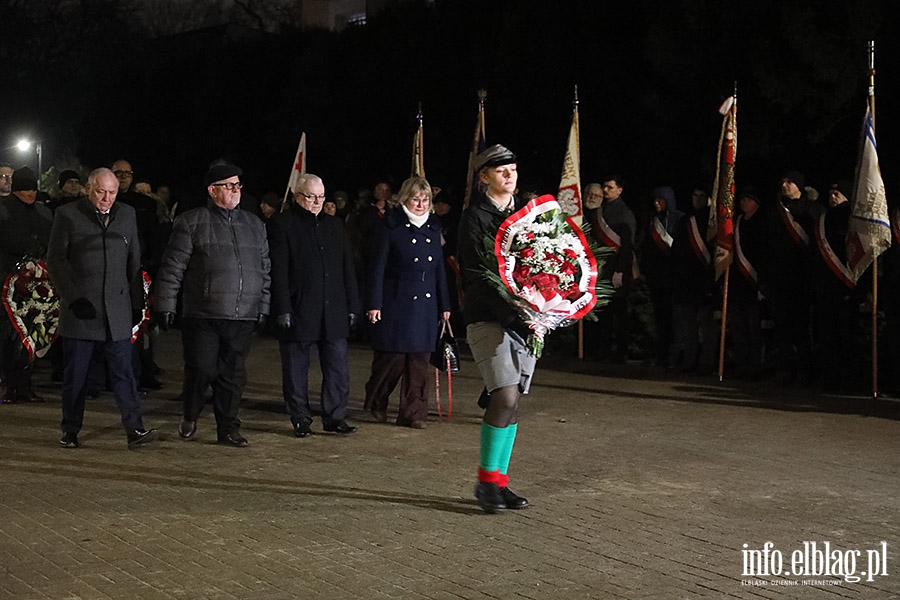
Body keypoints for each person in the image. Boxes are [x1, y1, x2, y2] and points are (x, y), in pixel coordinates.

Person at [154, 162, 271, 447]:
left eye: (238, 185)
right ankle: (191, 412)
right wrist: (166, 304)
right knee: (202, 368)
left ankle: (228, 428)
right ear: (212, 190)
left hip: (242, 314)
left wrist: (263, 306)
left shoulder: (254, 225)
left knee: (233, 376)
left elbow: (264, 269)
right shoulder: (191, 222)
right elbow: (173, 267)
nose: (236, 190)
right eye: (229, 185)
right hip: (202, 313)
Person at [46, 167, 157, 449]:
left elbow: (134, 261)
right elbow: (56, 261)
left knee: (124, 373)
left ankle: (135, 429)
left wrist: (136, 303)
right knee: (77, 376)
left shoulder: (127, 214)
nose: (107, 198)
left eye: (112, 192)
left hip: (117, 311)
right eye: (101, 192)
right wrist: (73, 298)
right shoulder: (68, 215)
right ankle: (70, 429)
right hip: (82, 311)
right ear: (88, 189)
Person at [458, 144, 534, 514]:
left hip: (525, 321)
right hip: (489, 317)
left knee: (514, 401)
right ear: (484, 176)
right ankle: (485, 482)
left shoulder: (526, 215)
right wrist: (514, 313)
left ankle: (500, 483)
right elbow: (477, 273)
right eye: (501, 171)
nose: (510, 176)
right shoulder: (475, 217)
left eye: (514, 170)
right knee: (503, 397)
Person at [267, 173, 359, 438]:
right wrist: (282, 307)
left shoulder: (335, 226)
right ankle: (300, 417)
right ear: (297, 197)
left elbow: (347, 269)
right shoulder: (283, 224)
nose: (317, 201)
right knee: (296, 367)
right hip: (299, 307)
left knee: (337, 367)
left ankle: (335, 416)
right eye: (311, 196)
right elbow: (279, 269)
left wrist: (353, 305)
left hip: (334, 309)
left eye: (321, 196)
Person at [363, 176, 451, 428]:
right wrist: (374, 303)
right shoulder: (390, 225)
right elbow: (377, 268)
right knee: (393, 358)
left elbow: (439, 270)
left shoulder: (434, 227)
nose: (421, 204)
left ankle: (413, 413)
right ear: (404, 199)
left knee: (419, 360)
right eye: (416, 199)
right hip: (395, 300)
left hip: (425, 303)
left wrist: (445, 305)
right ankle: (377, 399)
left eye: (425, 200)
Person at [762, 170, 823, 385]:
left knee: (802, 328)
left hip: (803, 280)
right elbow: (767, 248)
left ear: (799, 185)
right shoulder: (774, 213)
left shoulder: (813, 212)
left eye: (790, 182)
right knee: (782, 328)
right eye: (783, 181)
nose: (785, 185)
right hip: (780, 281)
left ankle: (805, 370)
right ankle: (784, 368)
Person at [0, 166, 54, 403]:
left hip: (37, 282)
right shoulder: (3, 210)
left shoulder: (43, 212)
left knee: (33, 332)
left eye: (32, 189)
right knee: (9, 334)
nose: (29, 194)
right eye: (24, 189)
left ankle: (24, 384)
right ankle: (10, 384)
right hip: (7, 281)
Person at [585, 177, 636, 361]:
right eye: (604, 187)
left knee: (619, 312)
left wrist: (620, 270)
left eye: (610, 187)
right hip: (601, 270)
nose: (605, 190)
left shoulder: (624, 213)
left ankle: (621, 350)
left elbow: (626, 245)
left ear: (619, 190)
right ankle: (603, 349)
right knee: (604, 313)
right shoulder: (602, 210)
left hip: (616, 269)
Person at [669, 187, 717, 373]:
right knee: (687, 325)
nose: (697, 199)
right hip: (685, 281)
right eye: (694, 195)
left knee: (707, 326)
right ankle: (689, 360)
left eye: (702, 196)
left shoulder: (714, 223)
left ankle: (707, 362)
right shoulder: (686, 221)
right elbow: (677, 251)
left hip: (705, 281)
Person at [640, 186, 684, 367]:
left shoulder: (679, 219)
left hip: (673, 278)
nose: (657, 203)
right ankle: (662, 354)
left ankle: (674, 356)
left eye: (661, 200)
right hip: (656, 277)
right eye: (655, 200)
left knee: (674, 320)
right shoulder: (653, 220)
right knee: (660, 319)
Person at [727, 188, 766, 380]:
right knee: (738, 328)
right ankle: (741, 363)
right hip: (737, 284)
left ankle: (755, 365)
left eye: (748, 199)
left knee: (753, 329)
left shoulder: (762, 224)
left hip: (753, 284)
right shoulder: (736, 223)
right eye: (742, 199)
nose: (744, 203)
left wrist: (763, 283)